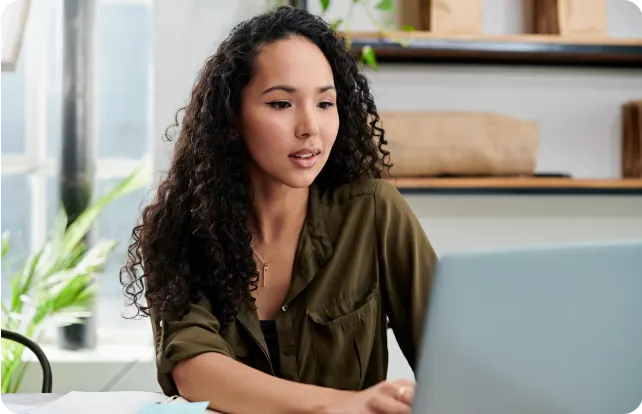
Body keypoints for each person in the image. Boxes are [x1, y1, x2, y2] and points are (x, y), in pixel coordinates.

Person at [120, 5, 436, 414]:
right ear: (232, 117)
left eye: (325, 103)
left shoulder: (373, 212)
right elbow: (195, 372)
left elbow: (453, 358)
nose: (310, 127)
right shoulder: (182, 228)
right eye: (281, 104)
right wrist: (348, 405)